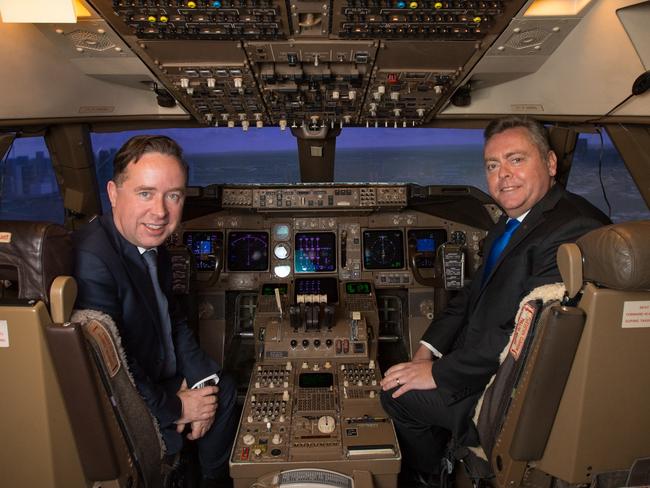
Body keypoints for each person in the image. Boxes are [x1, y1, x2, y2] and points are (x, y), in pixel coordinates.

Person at [380, 116, 610, 487]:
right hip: (477, 362)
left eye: (516, 159)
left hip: (500, 386)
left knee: (394, 393)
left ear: (550, 163)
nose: (503, 174)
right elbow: (471, 295)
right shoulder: (510, 223)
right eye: (493, 165)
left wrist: (438, 373)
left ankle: (430, 475)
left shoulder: (573, 229)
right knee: (408, 372)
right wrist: (426, 349)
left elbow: (523, 336)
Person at [73, 135, 237, 487]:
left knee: (223, 388)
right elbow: (114, 365)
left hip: (159, 370)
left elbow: (173, 320)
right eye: (145, 193)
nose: (160, 211)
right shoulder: (93, 259)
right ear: (114, 193)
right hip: (130, 388)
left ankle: (212, 478)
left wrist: (202, 386)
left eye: (173, 195)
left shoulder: (151, 244)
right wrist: (180, 407)